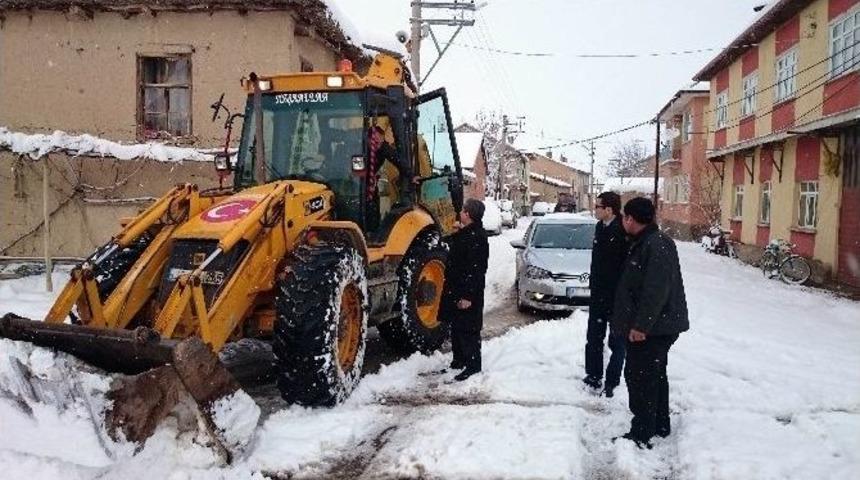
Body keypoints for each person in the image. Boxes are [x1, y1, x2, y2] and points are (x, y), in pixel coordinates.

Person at [611, 197, 689, 449]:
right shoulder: (646, 242)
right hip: (656, 326)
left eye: (624, 217)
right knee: (654, 375)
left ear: (631, 219)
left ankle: (642, 432)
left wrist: (641, 326)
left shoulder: (656, 245)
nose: (623, 221)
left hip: (654, 328)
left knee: (640, 377)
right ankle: (658, 424)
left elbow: (656, 290)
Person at [583, 191, 628, 398]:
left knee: (617, 341)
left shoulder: (623, 231)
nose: (595, 209)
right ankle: (593, 375)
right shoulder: (599, 227)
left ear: (609, 209)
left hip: (617, 297)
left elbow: (624, 268)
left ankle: (612, 380)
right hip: (599, 294)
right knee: (594, 336)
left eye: (598, 206)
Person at [442, 198, 490, 381]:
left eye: (463, 210)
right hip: (457, 288)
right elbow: (454, 249)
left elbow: (477, 269)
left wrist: (468, 296)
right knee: (457, 326)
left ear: (468, 214)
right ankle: (458, 361)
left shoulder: (477, 237)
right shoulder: (466, 232)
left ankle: (473, 365)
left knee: (469, 329)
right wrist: (455, 233)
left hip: (468, 291)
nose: (460, 213)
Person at [367, 125, 413, 231]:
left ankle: (373, 229)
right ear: (367, 139)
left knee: (373, 209)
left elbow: (397, 159)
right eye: (375, 142)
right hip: (357, 183)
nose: (377, 145)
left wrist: (411, 175)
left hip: (371, 182)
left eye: (380, 142)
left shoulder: (383, 148)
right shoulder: (357, 147)